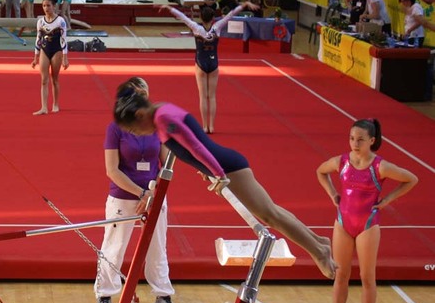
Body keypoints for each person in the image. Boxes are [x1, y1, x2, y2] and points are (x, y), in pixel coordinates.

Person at [112, 82, 336, 280]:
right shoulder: (161, 111)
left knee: (270, 216)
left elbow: (196, 146)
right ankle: (318, 241)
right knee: (271, 210)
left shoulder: (163, 118)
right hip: (224, 164)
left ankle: (319, 252)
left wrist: (218, 173)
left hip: (228, 167)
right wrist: (205, 169)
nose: (136, 134)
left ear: (140, 115)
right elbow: (193, 145)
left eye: (133, 129)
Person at [316, 119, 417, 303]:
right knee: (341, 274)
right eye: (352, 138)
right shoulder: (341, 161)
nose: (355, 143)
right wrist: (332, 194)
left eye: (360, 140)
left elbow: (411, 179)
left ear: (372, 141)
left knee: (367, 277)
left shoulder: (380, 166)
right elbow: (321, 171)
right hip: (342, 223)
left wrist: (387, 199)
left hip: (368, 225)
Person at [95, 77, 177, 303]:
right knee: (115, 245)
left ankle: (162, 293)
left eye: (145, 93)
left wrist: (154, 192)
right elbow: (112, 170)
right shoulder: (115, 128)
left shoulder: (157, 126)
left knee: (157, 245)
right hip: (124, 196)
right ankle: (105, 293)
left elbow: (167, 163)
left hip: (154, 197)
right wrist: (141, 193)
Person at [161, 1, 259, 134]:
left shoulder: (196, 28)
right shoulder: (217, 27)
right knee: (211, 97)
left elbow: (183, 17)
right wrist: (245, 4)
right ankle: (211, 126)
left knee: (203, 96)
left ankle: (204, 126)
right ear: (213, 18)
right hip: (213, 63)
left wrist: (169, 8)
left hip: (201, 63)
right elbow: (231, 15)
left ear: (201, 18)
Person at [31, 0, 69, 115]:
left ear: (54, 6)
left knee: (54, 79)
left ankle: (55, 104)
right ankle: (43, 107)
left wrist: (65, 57)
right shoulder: (40, 21)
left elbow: (64, 39)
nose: (46, 8)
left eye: (48, 5)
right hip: (44, 49)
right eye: (44, 6)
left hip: (56, 50)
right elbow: (38, 39)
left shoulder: (60, 21)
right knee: (43, 80)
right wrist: (35, 57)